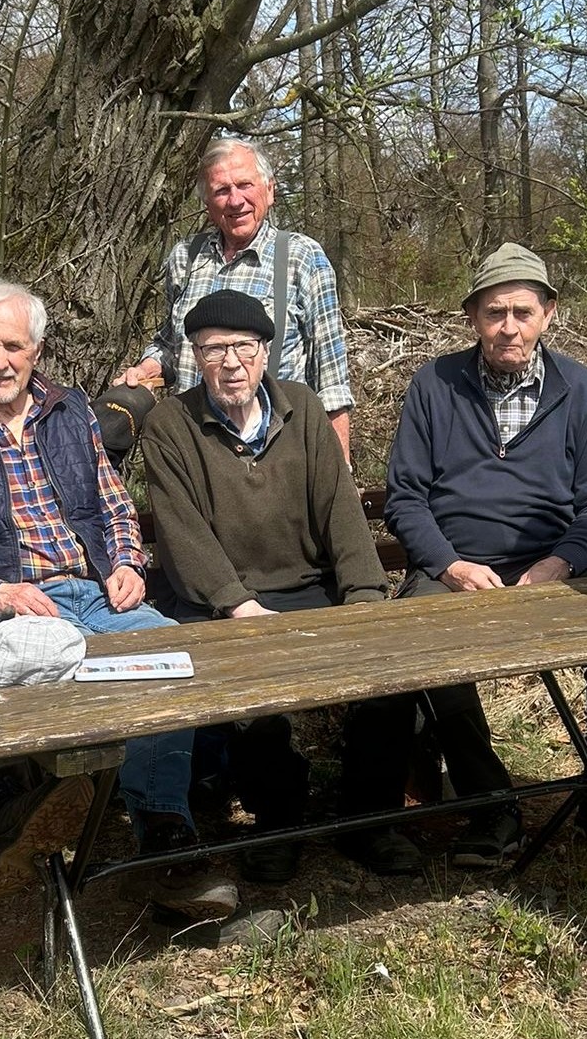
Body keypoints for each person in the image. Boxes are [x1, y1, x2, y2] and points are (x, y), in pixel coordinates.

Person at [0, 279, 238, 922]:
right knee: (47, 684)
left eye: (14, 346)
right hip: (4, 609)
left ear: (36, 351)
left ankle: (164, 840)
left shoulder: (72, 412)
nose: (0, 360)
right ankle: (29, 822)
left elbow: (113, 506)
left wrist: (127, 564)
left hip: (95, 593)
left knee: (166, 659)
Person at [385, 243, 587, 865]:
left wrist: (557, 565)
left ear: (548, 314)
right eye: (493, 312)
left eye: (521, 310)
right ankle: (490, 805)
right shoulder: (435, 384)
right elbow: (405, 499)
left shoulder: (580, 389)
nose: (508, 326)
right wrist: (449, 564)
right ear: (472, 319)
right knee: (424, 642)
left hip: (555, 561)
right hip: (455, 562)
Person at [140, 289, 421, 882]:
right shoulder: (170, 424)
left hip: (308, 588)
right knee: (252, 700)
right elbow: (183, 534)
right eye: (214, 350)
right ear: (195, 356)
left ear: (266, 352)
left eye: (243, 347)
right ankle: (279, 820)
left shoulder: (302, 407)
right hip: (220, 601)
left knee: (395, 679)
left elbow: (341, 511)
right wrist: (239, 606)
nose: (231, 363)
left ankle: (367, 820)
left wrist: (366, 600)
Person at [116, 137, 354, 457]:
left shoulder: (301, 257)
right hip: (196, 451)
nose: (236, 200)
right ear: (207, 203)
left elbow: (332, 383)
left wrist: (339, 475)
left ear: (269, 190)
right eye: (222, 190)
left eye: (245, 185)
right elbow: (172, 346)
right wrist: (146, 369)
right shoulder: (185, 258)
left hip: (278, 455)